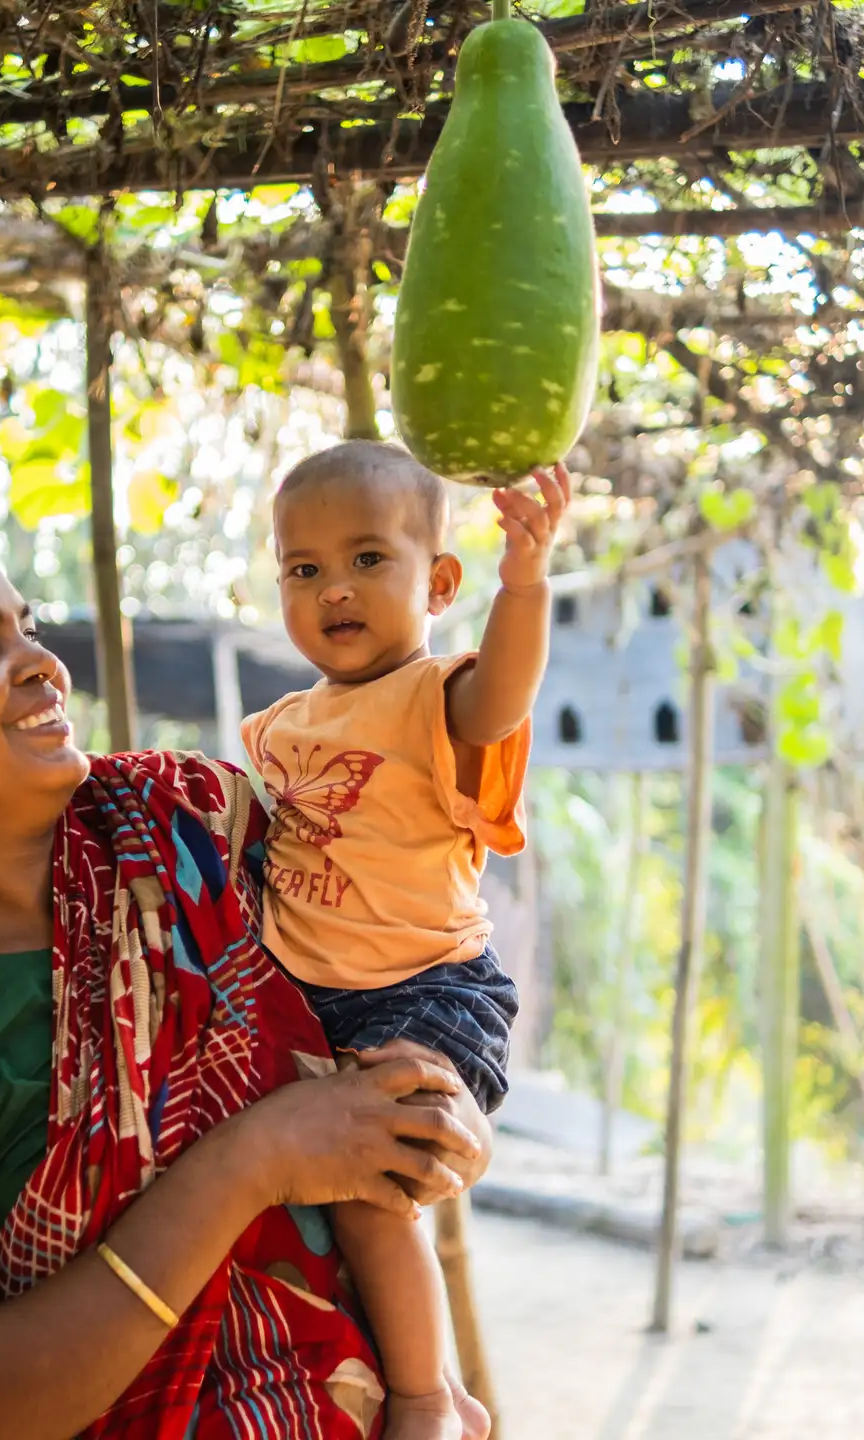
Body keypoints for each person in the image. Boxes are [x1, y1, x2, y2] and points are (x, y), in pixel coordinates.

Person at [0, 516, 497, 1440]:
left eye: (29, 628)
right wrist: (256, 1162)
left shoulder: (193, 829)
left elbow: (398, 968)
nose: (43, 665)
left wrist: (443, 1112)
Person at [242, 442, 568, 1440]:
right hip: (305, 1002)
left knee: (375, 1192)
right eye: (305, 570)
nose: (333, 587)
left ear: (438, 583)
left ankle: (431, 1400)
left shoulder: (436, 699)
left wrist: (525, 580)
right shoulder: (279, 727)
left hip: (427, 992)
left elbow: (502, 698)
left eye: (368, 560)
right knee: (309, 1203)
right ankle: (370, 1372)